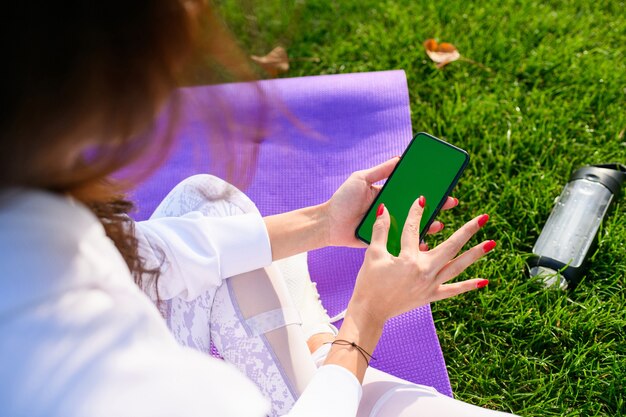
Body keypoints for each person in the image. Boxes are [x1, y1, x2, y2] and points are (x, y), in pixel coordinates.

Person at [0, 2, 517, 416]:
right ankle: (319, 353)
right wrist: (363, 322)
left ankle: (316, 358)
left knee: (208, 203)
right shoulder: (126, 384)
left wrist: (324, 224)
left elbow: (139, 255)